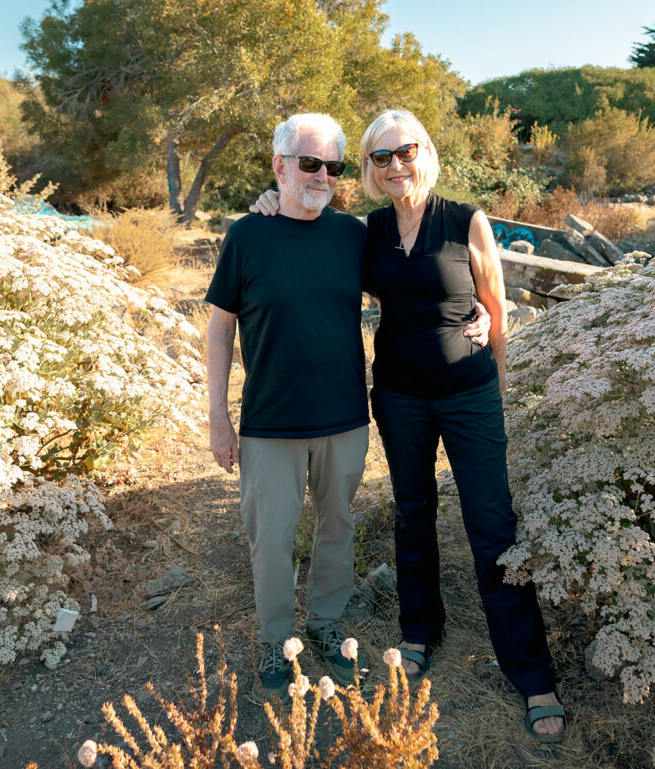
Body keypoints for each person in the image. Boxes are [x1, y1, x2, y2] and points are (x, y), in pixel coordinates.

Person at [251, 109, 565, 743]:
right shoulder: (365, 231)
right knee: (412, 511)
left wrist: (495, 385)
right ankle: (420, 630)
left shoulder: (465, 219)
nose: (395, 164)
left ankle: (529, 670)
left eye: (405, 151)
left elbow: (496, 308)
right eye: (379, 156)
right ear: (369, 169)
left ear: (425, 152)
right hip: (397, 395)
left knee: (492, 525)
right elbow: (311, 235)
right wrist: (273, 197)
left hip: (469, 395)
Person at [205, 111, 489, 706]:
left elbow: (417, 282)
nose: (323, 176)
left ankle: (326, 623)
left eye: (333, 166)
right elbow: (219, 328)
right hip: (269, 422)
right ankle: (274, 638)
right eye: (310, 163)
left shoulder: (353, 235)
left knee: (337, 529)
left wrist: (478, 312)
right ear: (279, 166)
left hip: (344, 418)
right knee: (272, 538)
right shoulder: (246, 235)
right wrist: (218, 417)